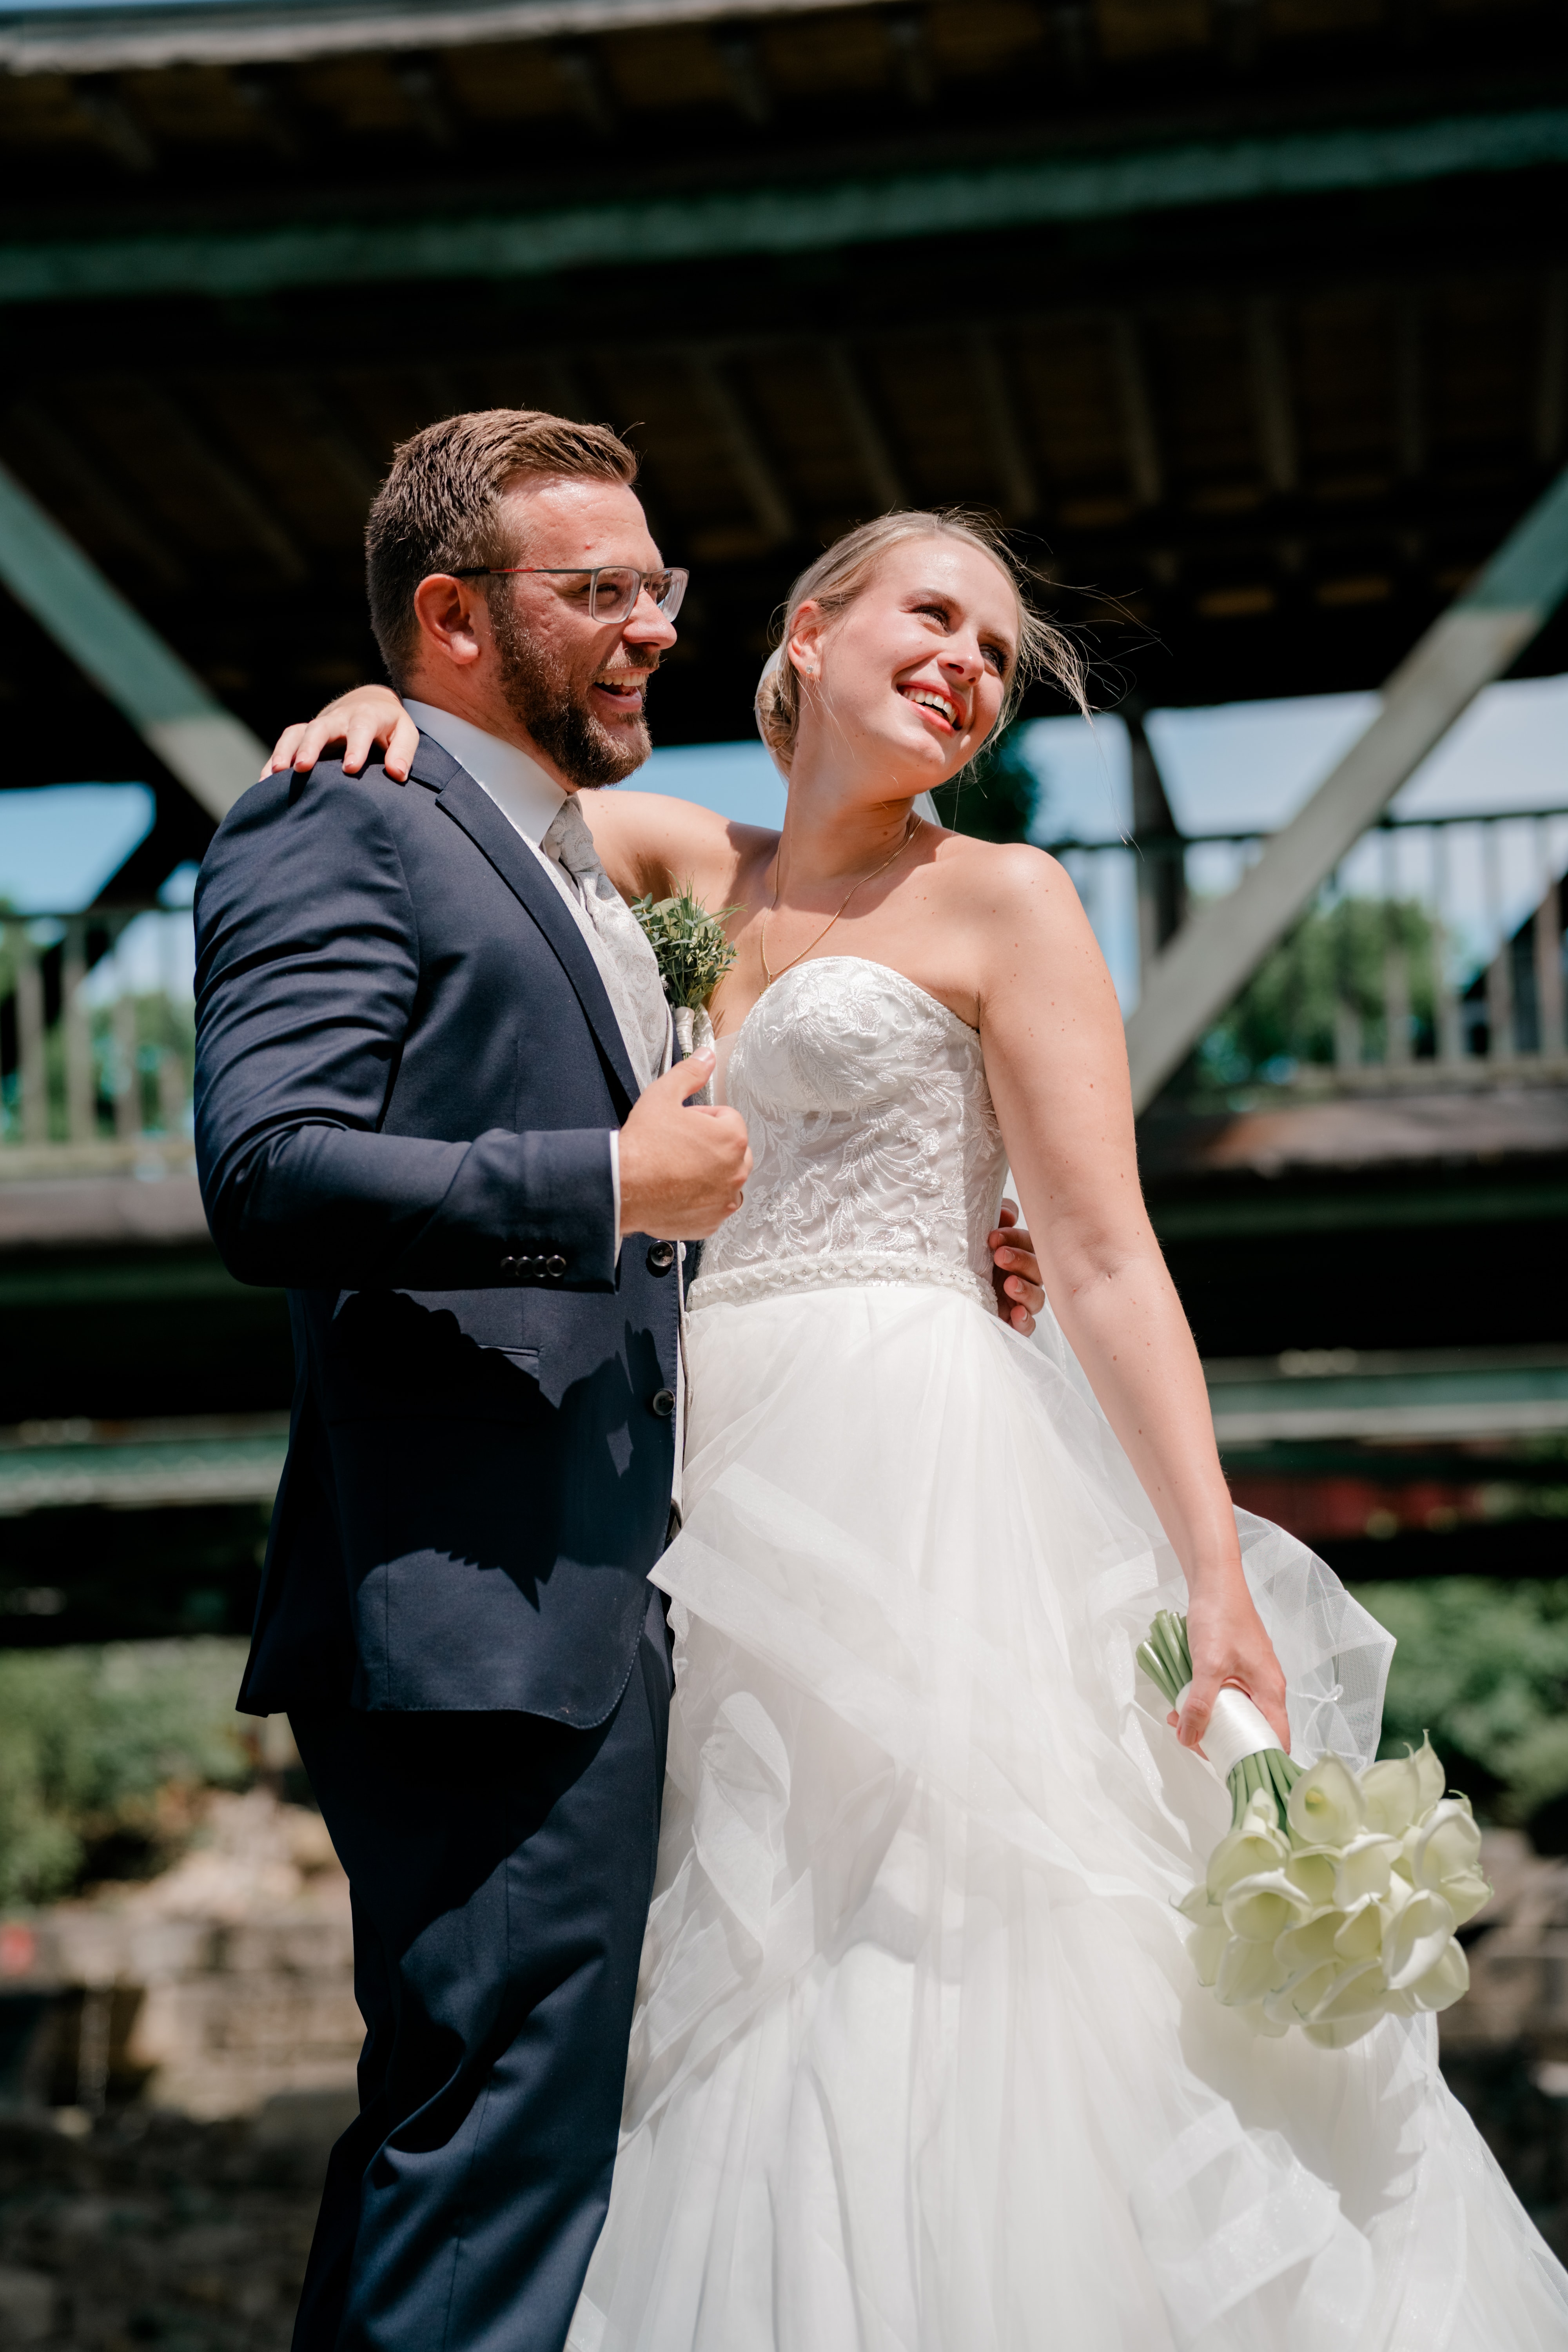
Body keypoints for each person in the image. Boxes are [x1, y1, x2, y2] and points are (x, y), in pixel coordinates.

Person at [273, 505, 1568, 2347]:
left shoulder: (1007, 900)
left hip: (917, 1458)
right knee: (720, 1945)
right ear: (808, 631)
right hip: (690, 1472)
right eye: (933, 619)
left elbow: (1108, 1258)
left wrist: (1215, 1575)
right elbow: (483, 789)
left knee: (939, 1934)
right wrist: (375, 706)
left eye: (995, 655)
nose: (967, 667)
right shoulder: (674, 861)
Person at [205, 410, 1045, 2352]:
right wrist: (604, 1185)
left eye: (658, 587)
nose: (653, 625)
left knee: (479, 2143)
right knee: (496, 2153)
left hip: (621, 1596)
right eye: (598, 592)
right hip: (475, 1609)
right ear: (455, 621)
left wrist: (935, 1249)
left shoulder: (584, 851)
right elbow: (266, 1173)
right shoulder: (349, 810)